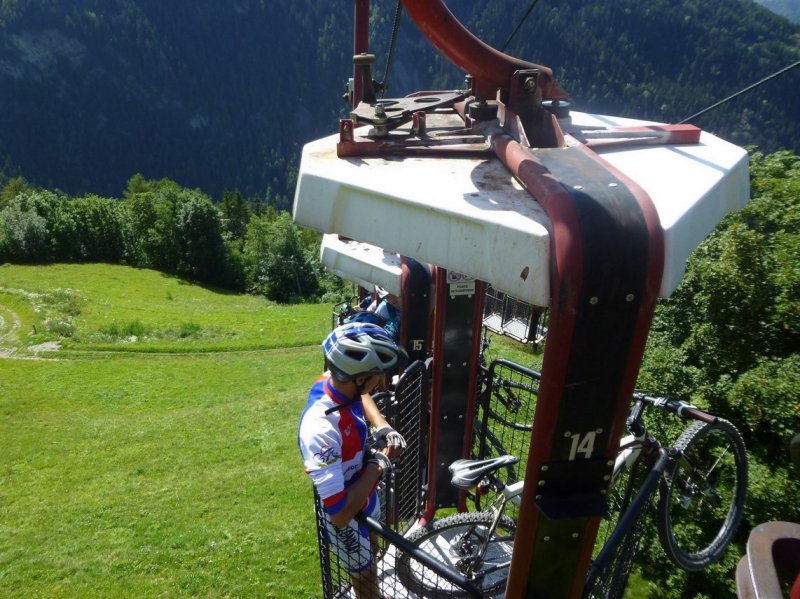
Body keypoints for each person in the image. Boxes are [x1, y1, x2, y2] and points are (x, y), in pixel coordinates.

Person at [298, 322, 407, 598]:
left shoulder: (335, 380)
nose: (383, 383)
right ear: (358, 378)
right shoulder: (320, 429)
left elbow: (365, 394)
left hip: (362, 487)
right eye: (378, 375)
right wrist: (380, 462)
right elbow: (340, 513)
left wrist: (381, 425)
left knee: (373, 553)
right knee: (364, 575)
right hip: (347, 510)